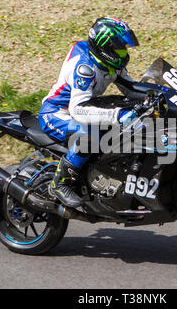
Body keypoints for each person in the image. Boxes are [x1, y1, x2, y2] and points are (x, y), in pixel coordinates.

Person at [38, 17, 141, 209]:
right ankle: (60, 183)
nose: (124, 53)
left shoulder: (107, 61)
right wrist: (116, 115)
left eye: (125, 48)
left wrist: (159, 94)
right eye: (120, 48)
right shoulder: (84, 68)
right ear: (106, 47)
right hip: (57, 113)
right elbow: (77, 110)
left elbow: (131, 89)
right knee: (91, 137)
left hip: (83, 109)